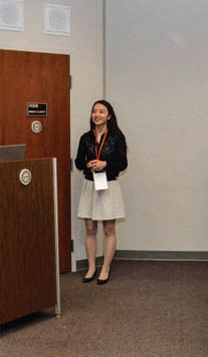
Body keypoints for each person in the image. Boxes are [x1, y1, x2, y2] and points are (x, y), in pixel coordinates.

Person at [75, 100, 127, 285]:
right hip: (90, 185)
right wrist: (88, 164)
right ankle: (91, 267)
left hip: (108, 185)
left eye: (101, 111)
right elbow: (79, 162)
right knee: (90, 228)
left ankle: (105, 267)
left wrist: (105, 164)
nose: (97, 114)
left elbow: (123, 164)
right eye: (94, 111)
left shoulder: (117, 138)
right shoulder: (86, 138)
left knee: (109, 228)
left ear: (109, 115)